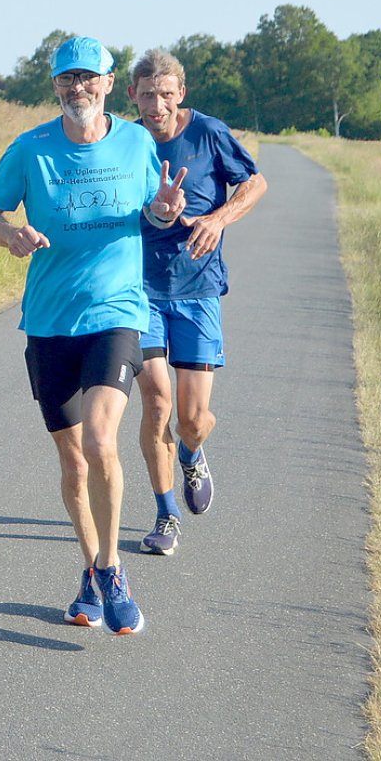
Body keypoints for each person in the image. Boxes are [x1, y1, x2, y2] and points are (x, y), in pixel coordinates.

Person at [0, 35, 186, 635]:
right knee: (72, 462)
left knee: (99, 439)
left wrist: (166, 210)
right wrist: (10, 234)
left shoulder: (136, 141)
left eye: (88, 78)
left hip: (116, 314)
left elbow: (155, 209)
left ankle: (113, 570)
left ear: (109, 83)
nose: (77, 88)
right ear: (56, 87)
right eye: (67, 79)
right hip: (48, 321)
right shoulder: (32, 148)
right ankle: (90, 570)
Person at [129, 48, 268, 555]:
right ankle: (166, 515)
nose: (157, 105)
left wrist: (217, 219)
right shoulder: (125, 141)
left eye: (166, 95)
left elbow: (255, 182)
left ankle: (191, 452)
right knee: (156, 400)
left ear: (180, 94)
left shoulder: (208, 132)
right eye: (148, 95)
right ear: (133, 96)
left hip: (199, 289)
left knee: (191, 417)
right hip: (140, 290)